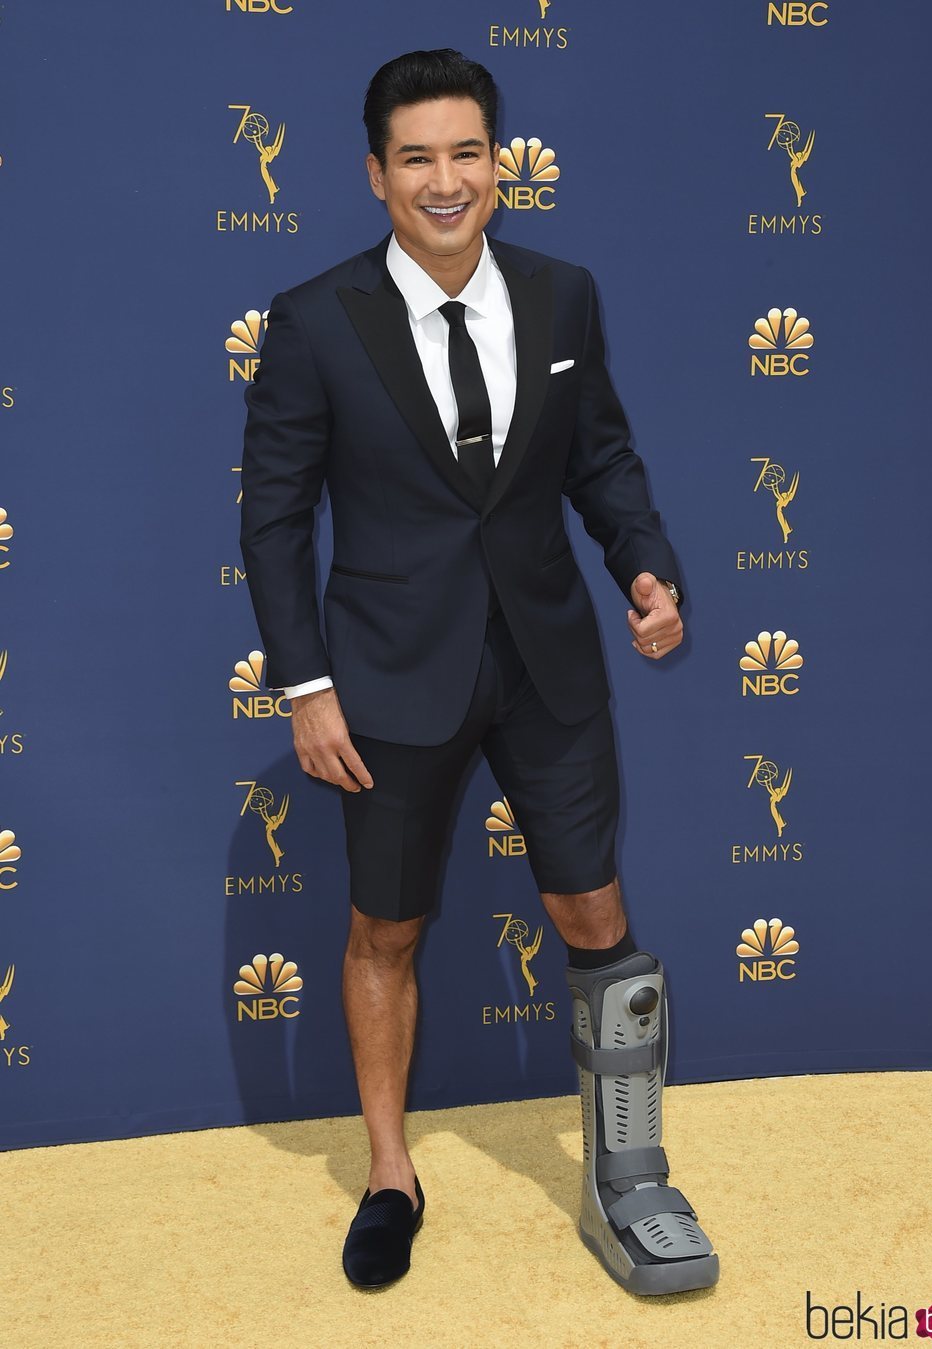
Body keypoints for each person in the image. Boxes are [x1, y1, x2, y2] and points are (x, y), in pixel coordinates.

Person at [239, 47, 719, 1296]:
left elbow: (600, 460)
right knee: (382, 926)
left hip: (547, 662)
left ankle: (631, 1178)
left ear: (496, 165)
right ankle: (390, 1173)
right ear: (374, 175)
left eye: (466, 153)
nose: (444, 181)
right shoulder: (311, 320)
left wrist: (644, 566)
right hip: (387, 676)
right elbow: (275, 520)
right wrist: (305, 683)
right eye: (416, 158)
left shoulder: (563, 295)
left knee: (593, 917)